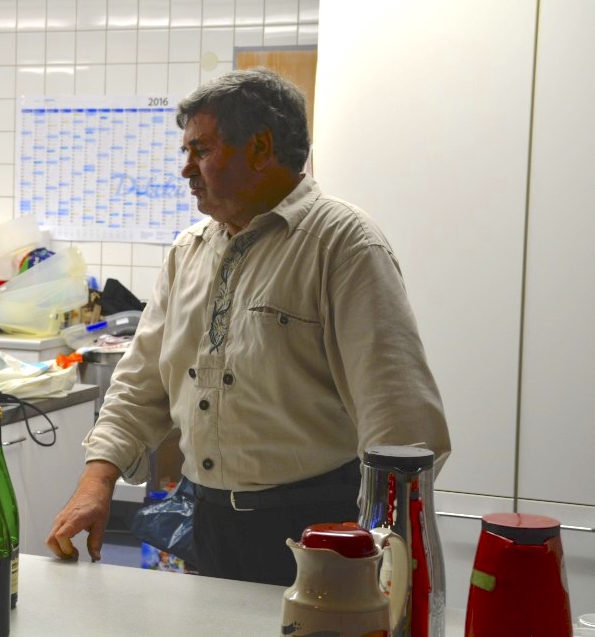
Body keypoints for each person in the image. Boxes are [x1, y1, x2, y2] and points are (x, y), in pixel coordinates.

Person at [45, 67, 451, 586]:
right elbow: (140, 384)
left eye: (201, 150)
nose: (185, 169)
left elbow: (403, 425)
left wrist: (377, 554)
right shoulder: (189, 251)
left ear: (260, 148)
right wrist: (96, 483)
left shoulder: (342, 245)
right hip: (210, 523)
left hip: (321, 532)